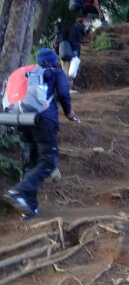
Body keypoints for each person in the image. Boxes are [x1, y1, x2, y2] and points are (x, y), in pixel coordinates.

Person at [2, 48, 78, 218]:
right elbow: (64, 94)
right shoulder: (55, 72)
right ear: (53, 60)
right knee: (48, 160)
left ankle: (29, 208)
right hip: (43, 121)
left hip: (22, 120)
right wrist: (69, 113)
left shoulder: (26, 73)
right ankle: (18, 192)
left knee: (30, 162)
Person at [60, 16, 90, 83]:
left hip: (67, 50)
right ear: (83, 21)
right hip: (68, 51)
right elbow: (74, 41)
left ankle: (68, 87)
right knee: (67, 70)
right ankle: (67, 88)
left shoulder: (78, 28)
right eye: (87, 21)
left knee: (69, 70)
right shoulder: (76, 29)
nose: (88, 22)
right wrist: (75, 51)